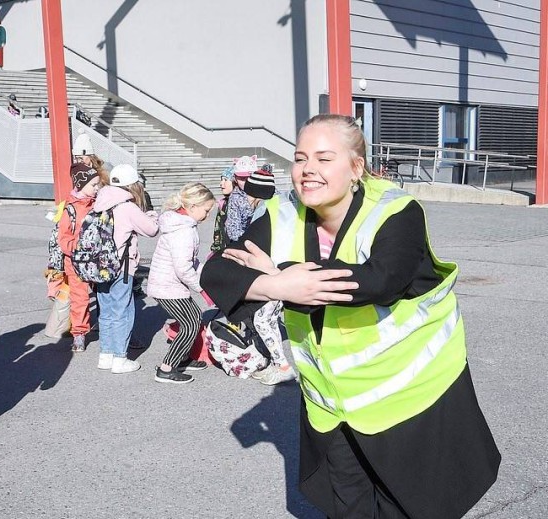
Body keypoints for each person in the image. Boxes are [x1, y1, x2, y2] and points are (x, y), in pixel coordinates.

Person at [201, 114, 500, 518]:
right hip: (332, 402)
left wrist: (280, 272)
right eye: (300, 157)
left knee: (408, 506)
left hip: (407, 397)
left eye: (324, 158)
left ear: (356, 168)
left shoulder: (396, 211)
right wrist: (279, 285)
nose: (308, 170)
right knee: (347, 506)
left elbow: (382, 279)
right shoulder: (283, 213)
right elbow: (218, 271)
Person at [93, 164, 159, 374]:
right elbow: (152, 230)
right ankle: (120, 358)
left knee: (106, 311)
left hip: (99, 266)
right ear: (133, 185)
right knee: (123, 311)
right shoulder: (127, 206)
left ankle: (106, 354)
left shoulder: (100, 202)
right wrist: (153, 215)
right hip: (121, 266)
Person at [147, 183, 215, 384]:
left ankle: (182, 356)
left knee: (192, 319)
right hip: (167, 286)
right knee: (191, 322)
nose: (207, 215)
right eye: (206, 210)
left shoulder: (183, 224)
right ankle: (166, 369)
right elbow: (183, 268)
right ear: (193, 206)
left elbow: (190, 262)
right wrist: (201, 288)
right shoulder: (183, 230)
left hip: (168, 284)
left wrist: (205, 272)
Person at [241, 168, 296, 386]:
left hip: (270, 271)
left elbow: (254, 242)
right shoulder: (279, 203)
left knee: (262, 319)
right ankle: (273, 361)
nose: (245, 196)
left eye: (248, 191)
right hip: (284, 267)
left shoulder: (263, 210)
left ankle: (282, 366)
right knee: (269, 318)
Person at [58, 163, 101, 352]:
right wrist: (77, 249)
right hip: (76, 262)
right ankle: (79, 333)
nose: (97, 188)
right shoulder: (71, 209)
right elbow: (63, 238)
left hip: (98, 259)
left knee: (103, 294)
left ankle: (103, 324)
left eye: (98, 184)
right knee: (80, 298)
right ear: (80, 185)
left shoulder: (98, 203)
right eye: (94, 185)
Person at [224, 155, 257, 242]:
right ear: (235, 178)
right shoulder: (235, 197)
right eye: (242, 179)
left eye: (250, 178)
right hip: (246, 242)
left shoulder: (265, 190)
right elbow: (233, 228)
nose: (247, 182)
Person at [210, 165, 234, 254]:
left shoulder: (241, 205)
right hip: (221, 253)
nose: (221, 183)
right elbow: (218, 231)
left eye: (225, 180)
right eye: (221, 179)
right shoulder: (223, 204)